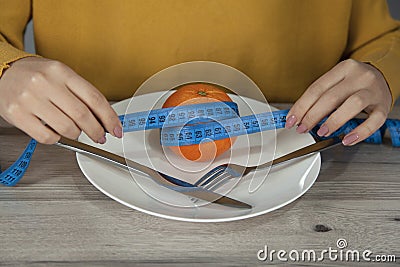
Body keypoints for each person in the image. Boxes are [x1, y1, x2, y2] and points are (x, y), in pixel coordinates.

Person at [0, 0, 399, 147]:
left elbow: (382, 39)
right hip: (87, 157)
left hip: (296, 161)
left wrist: (380, 74)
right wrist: (5, 70)